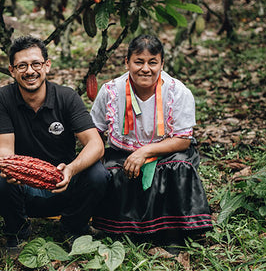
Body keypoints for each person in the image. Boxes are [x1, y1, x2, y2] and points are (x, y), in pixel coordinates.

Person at [0, 35, 110, 256]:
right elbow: (4, 151)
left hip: (63, 185)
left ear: (47, 65)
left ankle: (73, 227)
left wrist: (71, 170)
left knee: (98, 173)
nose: (30, 71)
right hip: (23, 188)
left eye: (36, 64)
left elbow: (95, 144)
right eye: (22, 66)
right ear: (12, 70)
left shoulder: (66, 97)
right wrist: (10, 168)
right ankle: (17, 231)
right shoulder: (2, 98)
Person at [90, 34, 212, 253]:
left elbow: (183, 140)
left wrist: (145, 152)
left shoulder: (177, 91)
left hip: (167, 151)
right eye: (138, 62)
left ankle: (172, 233)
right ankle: (119, 229)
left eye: (152, 62)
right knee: (106, 171)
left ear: (162, 64)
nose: (145, 69)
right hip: (122, 152)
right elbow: (94, 131)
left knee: (178, 166)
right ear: (126, 62)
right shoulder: (110, 91)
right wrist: (96, 159)